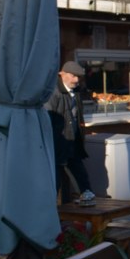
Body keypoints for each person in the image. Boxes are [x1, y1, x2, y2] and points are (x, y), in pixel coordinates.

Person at [46, 61, 92, 203]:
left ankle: (87, 198)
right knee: (55, 179)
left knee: (80, 174)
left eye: (79, 77)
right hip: (58, 142)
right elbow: (48, 119)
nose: (76, 80)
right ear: (62, 74)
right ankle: (53, 208)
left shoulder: (76, 91)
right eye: (73, 76)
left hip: (73, 141)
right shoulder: (54, 92)